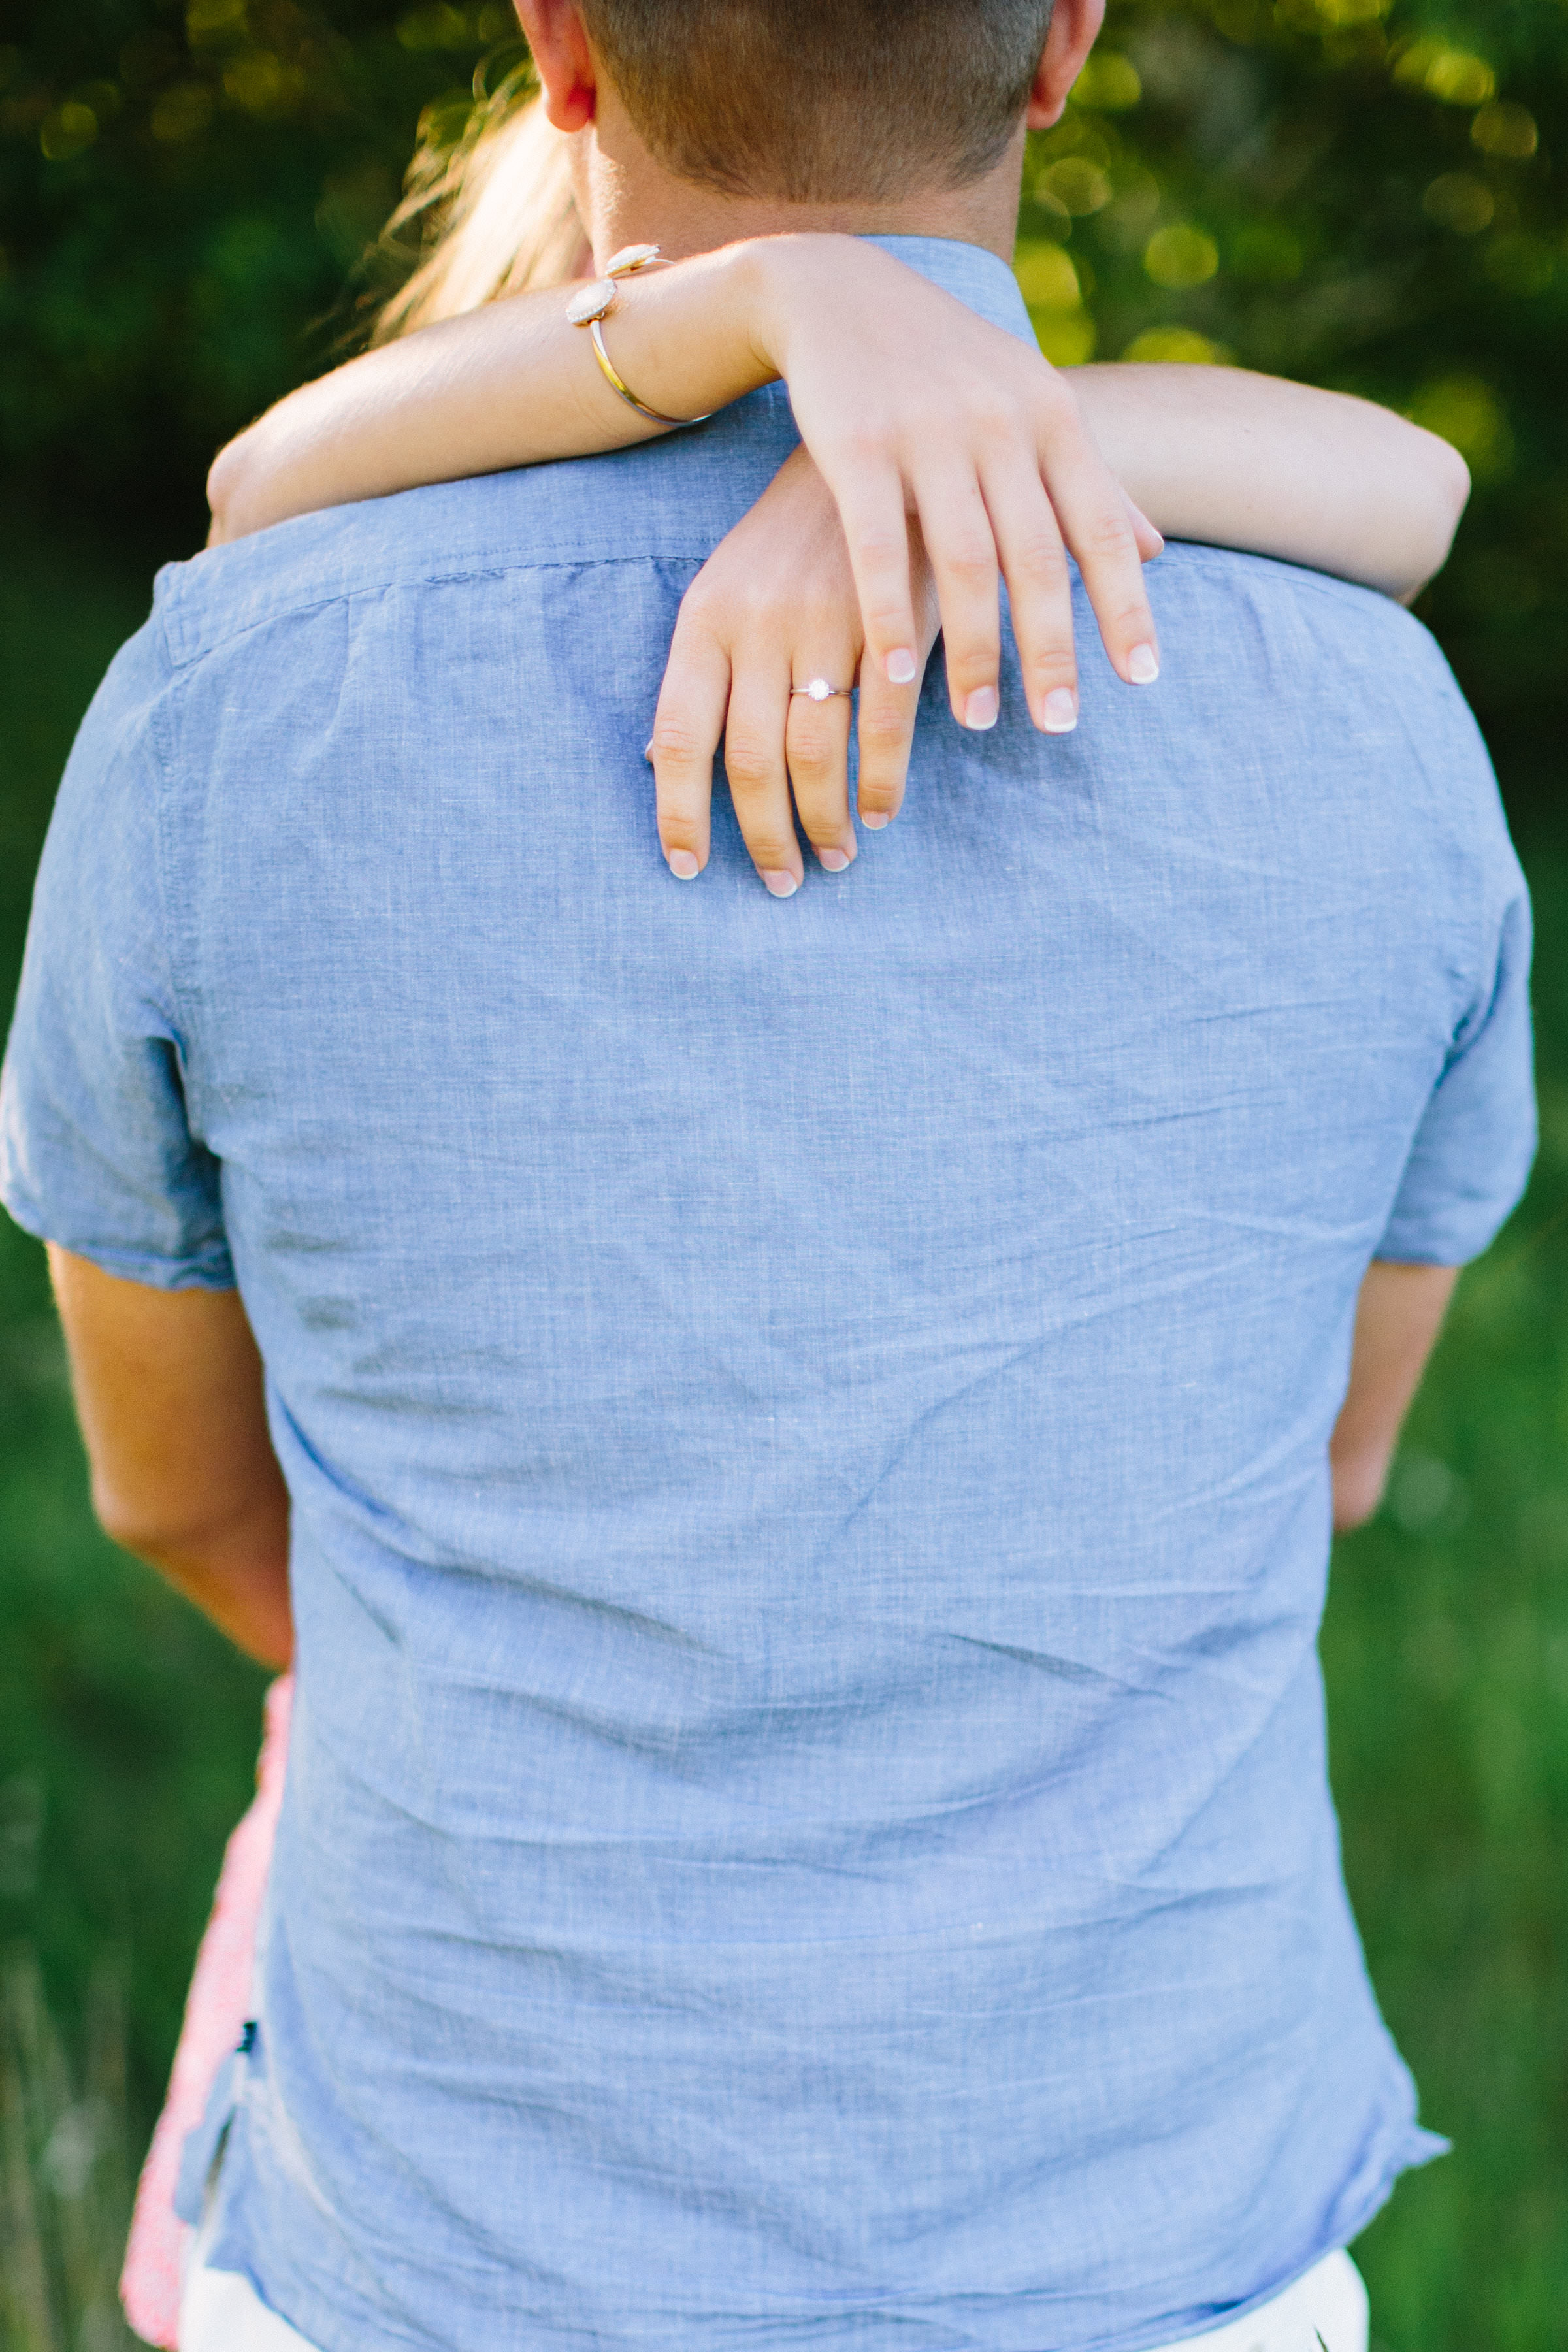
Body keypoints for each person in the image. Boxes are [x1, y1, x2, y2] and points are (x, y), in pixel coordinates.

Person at [0, 2, 1535, 2350]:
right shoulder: (1377, 719)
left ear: (558, 48)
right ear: (1063, 53)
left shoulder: (228, 710)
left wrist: (579, 1666)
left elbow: (180, 1500)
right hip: (1159, 2255)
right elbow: (1319, 1467)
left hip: (452, 2250)